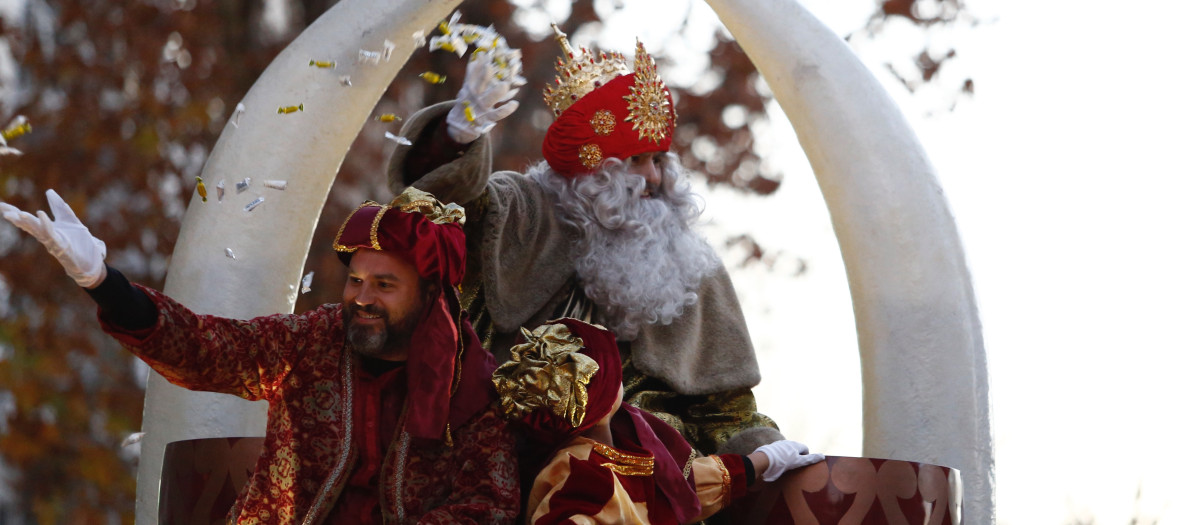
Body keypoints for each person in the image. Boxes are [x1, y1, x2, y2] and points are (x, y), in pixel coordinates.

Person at [0, 188, 520, 524]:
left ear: (429, 296)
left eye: (384, 285)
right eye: (356, 280)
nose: (361, 298)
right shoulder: (313, 342)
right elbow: (206, 349)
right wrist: (103, 284)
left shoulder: (471, 386)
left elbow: (489, 508)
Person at [389, 24, 784, 455]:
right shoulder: (523, 209)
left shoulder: (690, 263)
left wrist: (767, 459)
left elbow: (730, 415)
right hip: (501, 456)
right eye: (637, 160)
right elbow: (440, 210)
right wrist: (456, 139)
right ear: (593, 166)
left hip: (650, 482)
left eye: (658, 160)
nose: (653, 178)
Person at [492, 318, 823, 524]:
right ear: (604, 394)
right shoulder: (578, 469)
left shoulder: (622, 450)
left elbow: (680, 487)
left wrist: (764, 460)